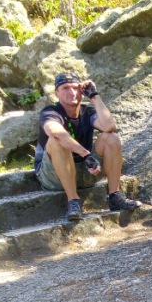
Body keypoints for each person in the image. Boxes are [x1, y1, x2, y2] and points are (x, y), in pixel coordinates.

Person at [35, 73, 141, 222]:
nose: (71, 92)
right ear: (56, 93)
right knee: (56, 140)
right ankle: (73, 201)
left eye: (75, 88)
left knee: (111, 137)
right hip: (53, 176)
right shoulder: (50, 112)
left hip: (86, 170)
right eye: (65, 88)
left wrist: (94, 95)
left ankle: (114, 195)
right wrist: (86, 154)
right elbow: (55, 131)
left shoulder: (88, 112)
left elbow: (109, 126)